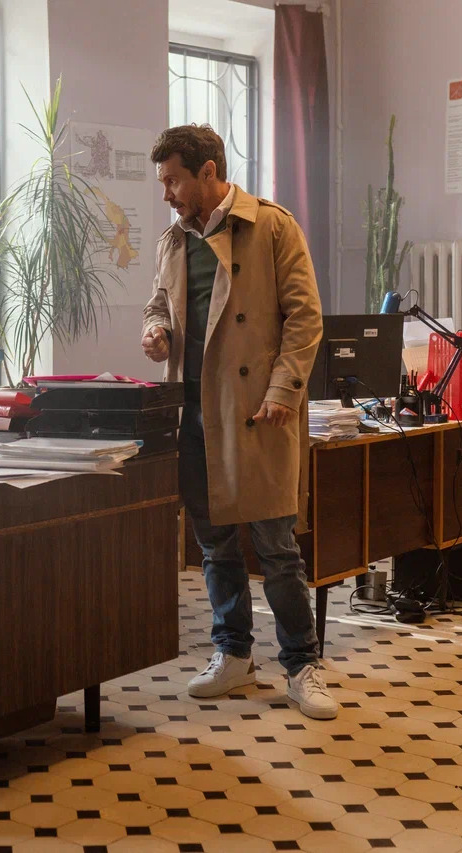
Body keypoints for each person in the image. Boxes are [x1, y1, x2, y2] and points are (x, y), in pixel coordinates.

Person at [141, 125, 335, 720]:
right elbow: (159, 303)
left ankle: (302, 664)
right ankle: (234, 654)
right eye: (163, 182)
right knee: (214, 545)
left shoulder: (272, 226)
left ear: (208, 172)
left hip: (255, 412)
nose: (166, 194)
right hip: (194, 413)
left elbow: (305, 317)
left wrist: (283, 391)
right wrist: (156, 330)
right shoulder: (174, 240)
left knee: (277, 548)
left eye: (173, 180)